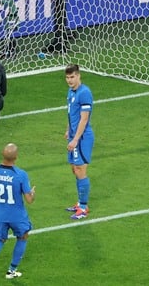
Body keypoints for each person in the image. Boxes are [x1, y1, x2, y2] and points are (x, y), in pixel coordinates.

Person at [0, 143, 35, 283]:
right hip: (17, 215)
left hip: (0, 215)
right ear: (16, 157)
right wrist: (33, 193)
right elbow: (29, 200)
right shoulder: (21, 175)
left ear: (2, 154)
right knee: (23, 237)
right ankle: (11, 271)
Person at [64, 64, 93, 220]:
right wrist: (68, 129)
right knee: (74, 169)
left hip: (82, 138)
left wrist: (75, 139)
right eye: (67, 77)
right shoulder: (71, 91)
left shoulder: (84, 93)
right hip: (74, 136)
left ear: (79, 75)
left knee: (80, 170)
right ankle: (80, 203)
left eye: (72, 77)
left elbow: (84, 118)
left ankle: (83, 207)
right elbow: (71, 113)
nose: (69, 80)